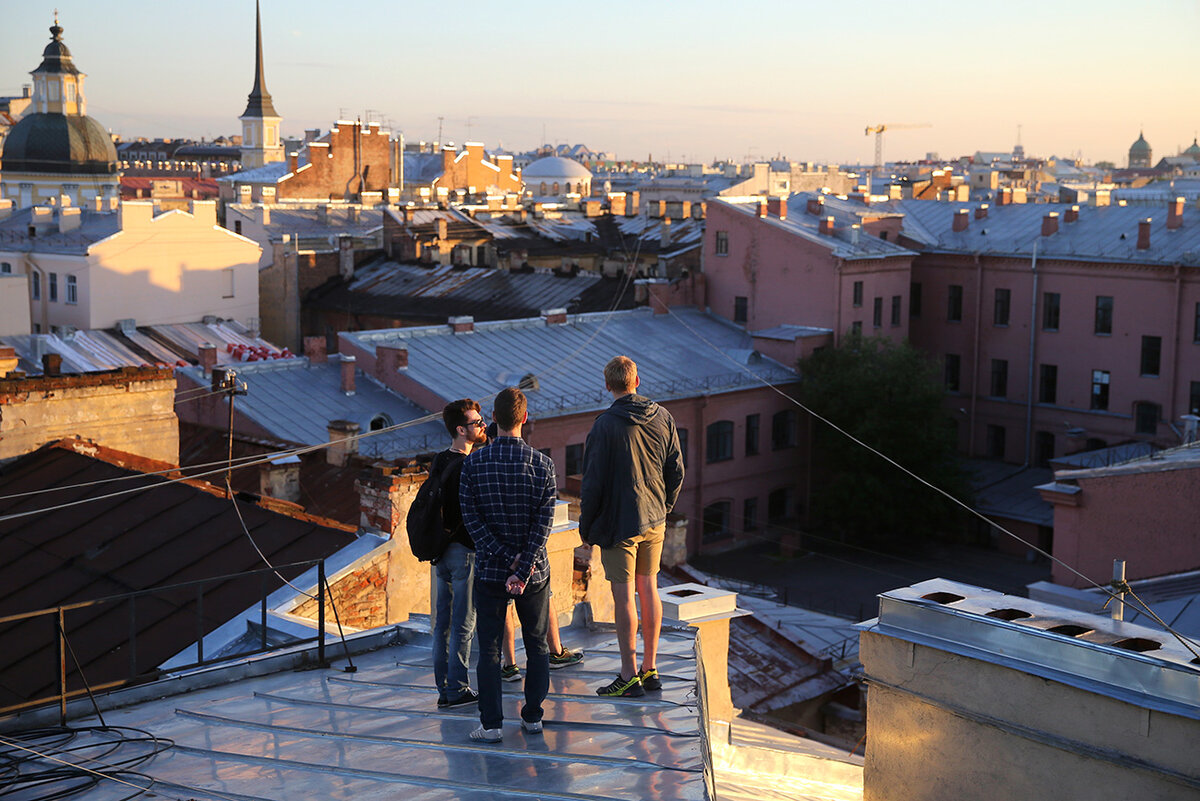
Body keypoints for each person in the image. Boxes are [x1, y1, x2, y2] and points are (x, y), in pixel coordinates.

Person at [580, 356, 684, 697]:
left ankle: (628, 676)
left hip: (619, 523)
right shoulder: (663, 416)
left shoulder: (604, 426)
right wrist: (664, 508)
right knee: (649, 589)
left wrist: (586, 530)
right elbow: (676, 471)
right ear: (637, 380)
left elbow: (592, 484)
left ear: (608, 386)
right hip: (654, 519)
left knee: (623, 595)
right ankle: (650, 669)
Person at [459, 387, 557, 742]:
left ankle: (491, 724)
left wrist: (506, 558)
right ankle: (532, 717)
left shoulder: (473, 463)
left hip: (490, 570)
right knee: (537, 644)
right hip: (534, 573)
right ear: (525, 418)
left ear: (494, 419)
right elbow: (544, 523)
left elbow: (472, 522)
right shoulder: (543, 465)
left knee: (488, 649)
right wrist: (524, 563)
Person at [430, 399, 488, 709]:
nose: (482, 426)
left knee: (442, 624)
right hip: (464, 553)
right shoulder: (468, 465)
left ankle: (444, 688)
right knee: (464, 624)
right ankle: (458, 689)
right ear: (460, 429)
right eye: (477, 422)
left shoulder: (439, 461)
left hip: (440, 553)